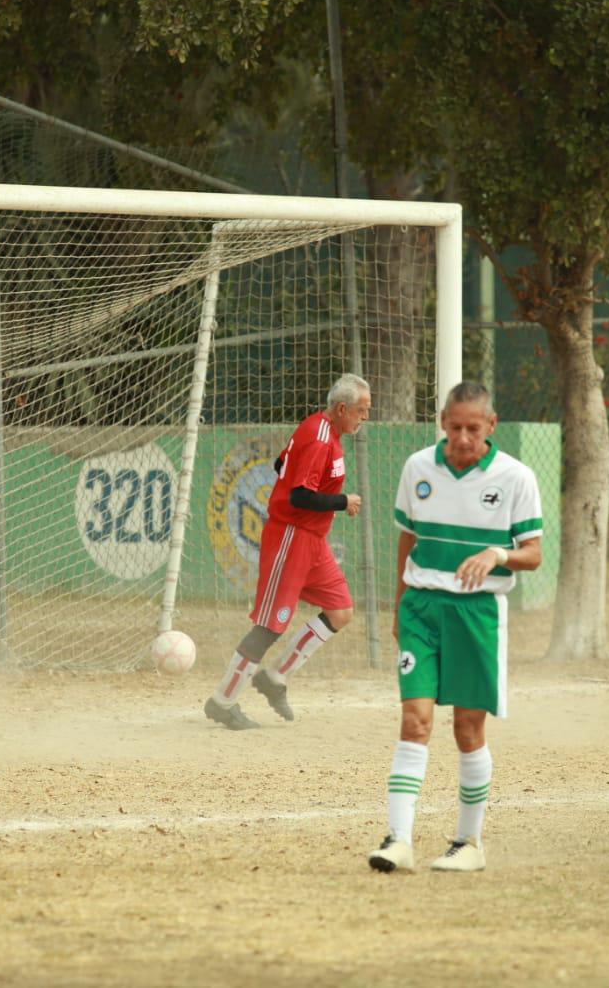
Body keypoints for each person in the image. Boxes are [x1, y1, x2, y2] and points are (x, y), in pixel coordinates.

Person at [368, 381, 544, 873]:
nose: (463, 437)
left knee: (467, 728)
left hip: (477, 615)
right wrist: (399, 604)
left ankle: (469, 842)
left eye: (474, 427)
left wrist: (498, 553)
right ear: (442, 422)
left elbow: (534, 553)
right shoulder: (417, 468)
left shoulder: (516, 477)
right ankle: (398, 841)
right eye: (455, 426)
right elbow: (408, 536)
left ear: (491, 426)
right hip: (422, 609)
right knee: (415, 720)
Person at [203, 373, 371, 730]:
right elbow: (298, 495)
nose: (364, 417)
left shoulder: (323, 430)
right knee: (269, 627)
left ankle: (275, 678)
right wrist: (343, 501)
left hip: (313, 541)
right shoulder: (320, 437)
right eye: (361, 410)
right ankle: (223, 701)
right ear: (342, 408)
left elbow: (282, 465)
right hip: (291, 538)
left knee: (340, 611)